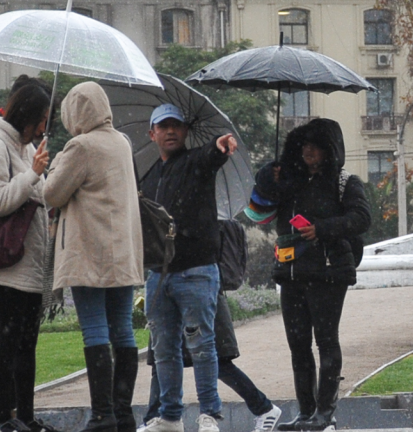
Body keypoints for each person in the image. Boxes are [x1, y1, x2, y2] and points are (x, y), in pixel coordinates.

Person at [251, 118, 370, 431]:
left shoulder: (345, 182)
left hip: (329, 273)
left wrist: (323, 229)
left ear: (329, 149)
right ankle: (305, 412)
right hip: (291, 273)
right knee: (298, 345)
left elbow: (361, 218)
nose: (308, 150)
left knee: (326, 342)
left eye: (315, 145)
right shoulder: (290, 181)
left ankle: (324, 413)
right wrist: (269, 177)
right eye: (303, 144)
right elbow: (259, 209)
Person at [43, 81, 145, 432]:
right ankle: (123, 412)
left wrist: (54, 162)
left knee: (94, 329)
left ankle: (102, 414)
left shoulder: (80, 146)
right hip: (123, 251)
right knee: (123, 329)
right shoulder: (121, 142)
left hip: (90, 251)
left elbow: (52, 194)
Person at [139, 104, 237, 432]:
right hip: (159, 275)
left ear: (185, 131)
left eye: (176, 126)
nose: (170, 132)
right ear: (152, 133)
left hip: (196, 271)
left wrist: (219, 146)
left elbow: (212, 155)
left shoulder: (196, 161)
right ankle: (169, 417)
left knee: (201, 345)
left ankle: (209, 415)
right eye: (163, 126)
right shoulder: (149, 177)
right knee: (164, 349)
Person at [0, 83, 59, 432]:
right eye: (41, 120)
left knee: (26, 346)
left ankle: (25, 417)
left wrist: (42, 178)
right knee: (6, 347)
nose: (43, 128)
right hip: (6, 267)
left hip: (29, 266)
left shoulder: (26, 148)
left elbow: (36, 196)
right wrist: (33, 175)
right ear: (25, 117)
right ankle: (3, 419)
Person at [140, 222, 282, 432]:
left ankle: (263, 408)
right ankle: (155, 417)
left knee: (216, 361)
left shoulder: (209, 218)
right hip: (179, 289)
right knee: (164, 358)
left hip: (204, 294)